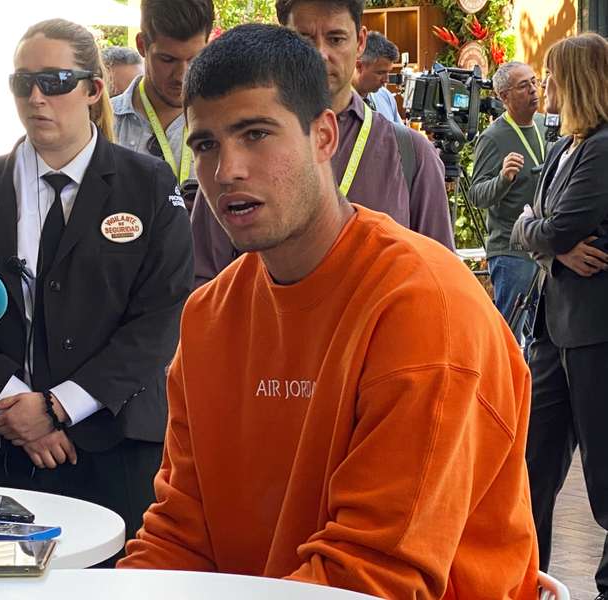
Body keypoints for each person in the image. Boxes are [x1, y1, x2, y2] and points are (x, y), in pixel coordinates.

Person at [117, 24, 539, 598]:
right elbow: (178, 533)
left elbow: (373, 578)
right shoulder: (209, 316)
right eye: (206, 144)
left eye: (256, 133)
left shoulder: (424, 309)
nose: (226, 170)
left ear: (324, 136)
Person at [0, 19, 193, 541]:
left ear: (94, 89)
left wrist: (57, 406)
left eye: (55, 81)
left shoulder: (150, 185)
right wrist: (13, 405)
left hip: (112, 446)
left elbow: (162, 316)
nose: (37, 97)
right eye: (23, 83)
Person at [190, 0, 454, 287]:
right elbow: (205, 279)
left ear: (361, 42)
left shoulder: (411, 154)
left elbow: (440, 277)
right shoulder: (231, 157)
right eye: (304, 39)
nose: (320, 54)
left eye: (336, 38)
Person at [511, 33, 608, 599]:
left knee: (604, 470)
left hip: (594, 333)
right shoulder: (564, 148)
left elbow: (555, 224)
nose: (542, 89)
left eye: (549, 78)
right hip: (551, 329)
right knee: (532, 467)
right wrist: (551, 243)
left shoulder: (601, 148)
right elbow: (539, 227)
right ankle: (525, 576)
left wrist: (546, 235)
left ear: (574, 83)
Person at [468, 60, 545, 343]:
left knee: (543, 333)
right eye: (523, 86)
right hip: (512, 251)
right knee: (509, 337)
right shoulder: (493, 137)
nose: (534, 90)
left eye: (534, 82)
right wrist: (503, 179)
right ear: (504, 97)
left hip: (546, 246)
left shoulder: (542, 124)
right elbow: (476, 194)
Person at [111, 0, 213, 204]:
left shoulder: (224, 121)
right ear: (141, 45)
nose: (182, 76)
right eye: (167, 60)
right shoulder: (103, 122)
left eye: (194, 59)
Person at [352, 30, 401, 123]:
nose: (386, 80)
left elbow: (400, 136)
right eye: (380, 73)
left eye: (388, 72)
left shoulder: (386, 97)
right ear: (359, 66)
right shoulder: (338, 103)